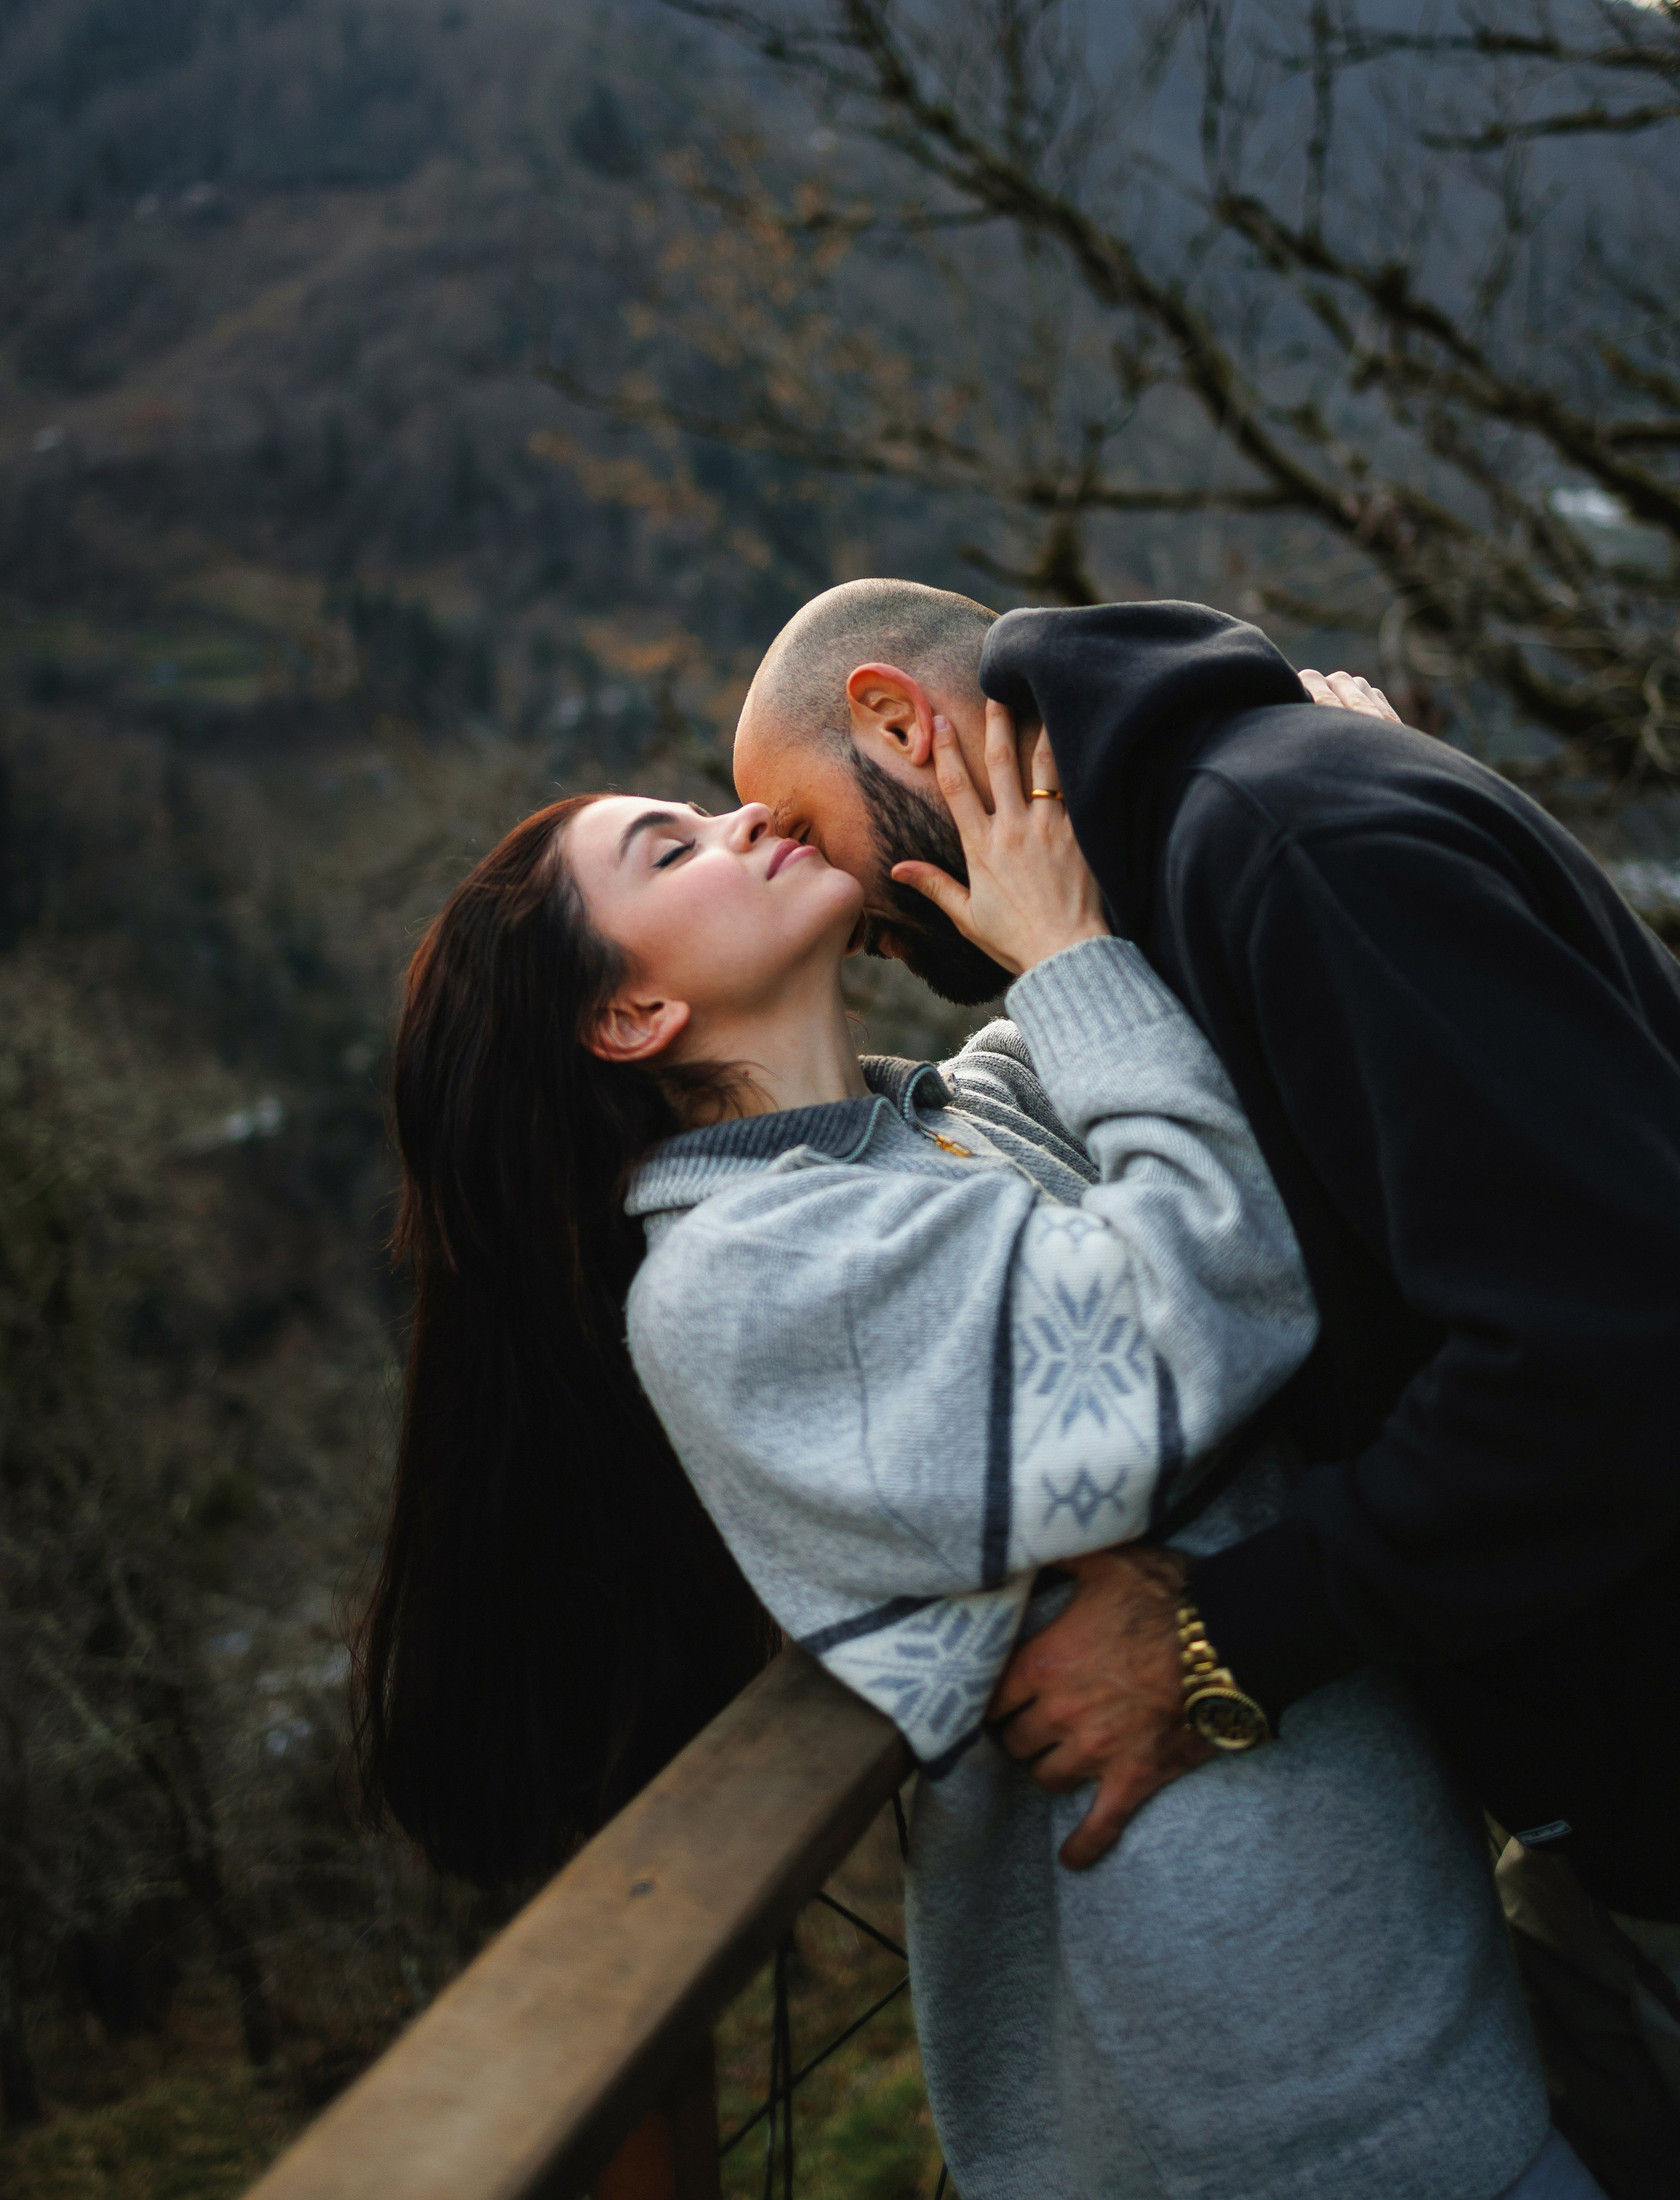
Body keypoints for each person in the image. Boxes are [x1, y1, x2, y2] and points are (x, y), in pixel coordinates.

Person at [355, 726, 1599, 2199]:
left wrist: (1318, 750)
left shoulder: (927, 1127)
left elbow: (1134, 1021)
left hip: (1387, 2003)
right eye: (670, 848)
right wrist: (1064, 952)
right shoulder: (739, 1278)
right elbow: (1208, 1290)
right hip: (1255, 2097)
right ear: (631, 1014)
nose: (742, 814)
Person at [730, 580, 1680, 2196]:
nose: (824, 892)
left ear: (898, 718)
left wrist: (1215, 1638)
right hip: (1641, 1782)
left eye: (795, 821)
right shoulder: (1207, 858)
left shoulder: (1285, 844)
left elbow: (1612, 1354)